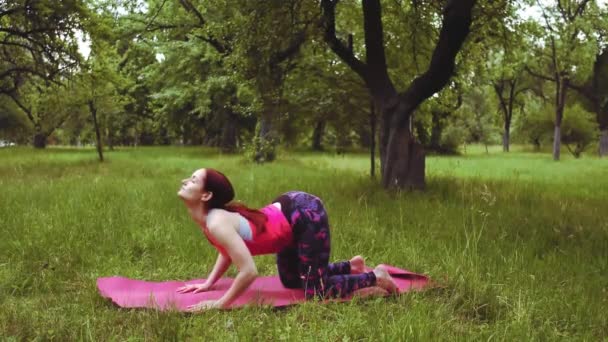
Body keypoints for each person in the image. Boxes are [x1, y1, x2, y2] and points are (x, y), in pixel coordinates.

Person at [175, 168, 397, 311]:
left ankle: (375, 277)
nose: (185, 181)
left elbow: (249, 271)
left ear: (206, 195)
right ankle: (351, 266)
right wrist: (208, 283)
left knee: (315, 293)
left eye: (193, 180)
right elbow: (227, 249)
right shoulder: (211, 221)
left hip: (304, 214)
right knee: (291, 281)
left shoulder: (216, 222)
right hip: (288, 221)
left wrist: (219, 304)